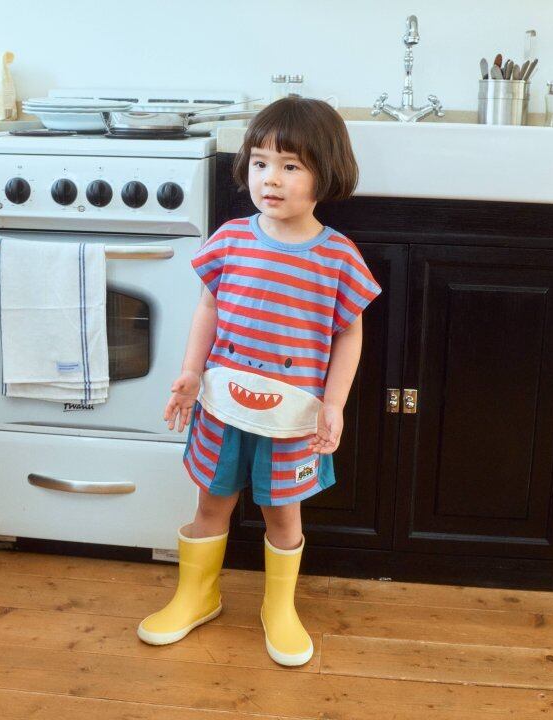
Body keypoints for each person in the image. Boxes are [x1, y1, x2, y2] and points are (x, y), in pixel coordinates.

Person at [137, 96, 382, 667]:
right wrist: (190, 372)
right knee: (211, 504)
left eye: (290, 166)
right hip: (222, 406)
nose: (270, 179)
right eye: (260, 163)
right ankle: (197, 596)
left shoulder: (339, 258)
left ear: (327, 172)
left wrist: (335, 404)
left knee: (283, 515)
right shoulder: (229, 239)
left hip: (293, 418)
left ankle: (280, 608)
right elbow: (208, 308)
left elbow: (349, 336)